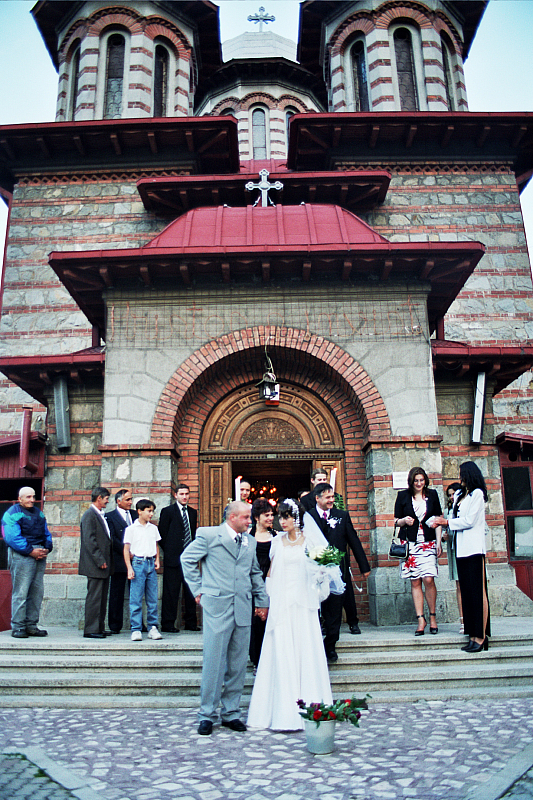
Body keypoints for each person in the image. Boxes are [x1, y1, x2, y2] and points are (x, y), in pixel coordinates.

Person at [181, 500, 269, 736]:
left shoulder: (249, 541)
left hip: (243, 607)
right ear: (232, 518)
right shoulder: (209, 535)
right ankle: (206, 714)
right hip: (216, 608)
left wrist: (262, 601)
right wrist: (199, 590)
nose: (250, 521)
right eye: (246, 517)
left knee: (238, 664)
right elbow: (187, 559)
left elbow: (254, 572)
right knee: (214, 663)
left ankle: (231, 713)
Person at [247, 498, 332, 731]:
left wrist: (319, 575)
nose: (282, 521)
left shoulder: (311, 542)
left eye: (287, 517)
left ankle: (311, 705)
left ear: (298, 518)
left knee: (305, 650)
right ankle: (283, 709)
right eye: (280, 517)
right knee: (282, 651)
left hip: (303, 604)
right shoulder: (276, 542)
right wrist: (266, 603)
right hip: (282, 604)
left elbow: (326, 570)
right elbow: (271, 575)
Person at [307, 483, 370, 661]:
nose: (331, 500)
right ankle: (316, 647)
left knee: (334, 610)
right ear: (317, 498)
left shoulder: (342, 516)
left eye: (332, 497)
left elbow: (354, 541)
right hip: (315, 572)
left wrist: (364, 567)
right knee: (318, 609)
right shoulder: (308, 517)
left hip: (336, 571)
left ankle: (331, 647)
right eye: (327, 497)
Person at [432, 462, 490, 653]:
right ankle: (472, 634)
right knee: (467, 594)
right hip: (461, 549)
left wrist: (446, 522)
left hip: (474, 548)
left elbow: (470, 521)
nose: (461, 478)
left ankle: (481, 636)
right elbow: (455, 514)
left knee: (477, 592)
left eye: (462, 475)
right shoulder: (461, 496)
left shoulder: (478, 495)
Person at [394, 467, 442, 636]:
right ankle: (421, 619)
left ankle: (433, 617)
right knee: (415, 581)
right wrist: (403, 521)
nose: (419, 483)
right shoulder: (403, 496)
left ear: (425, 481)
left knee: (428, 579)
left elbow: (437, 519)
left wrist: (438, 542)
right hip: (410, 543)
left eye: (422, 480)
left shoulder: (433, 495)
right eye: (416, 481)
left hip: (428, 542)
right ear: (411, 482)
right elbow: (395, 521)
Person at [1, 487, 52, 638]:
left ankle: (31, 625)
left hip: (39, 554)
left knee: (36, 593)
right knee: (21, 592)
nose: (32, 500)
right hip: (22, 555)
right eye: (28, 497)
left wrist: (47, 548)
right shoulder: (11, 514)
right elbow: (11, 537)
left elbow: (46, 532)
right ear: (20, 498)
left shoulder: (39, 513)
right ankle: (18, 627)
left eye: (33, 496)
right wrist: (31, 551)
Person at [158, 483, 199, 633]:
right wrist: (170, 551)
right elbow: (161, 535)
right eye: (181, 494)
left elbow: (192, 534)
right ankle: (168, 624)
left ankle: (191, 623)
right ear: (175, 495)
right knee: (171, 592)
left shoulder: (193, 513)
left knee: (190, 591)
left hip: (189, 560)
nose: (184, 497)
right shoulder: (168, 511)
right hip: (173, 559)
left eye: (187, 494)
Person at [123, 499, 162, 642]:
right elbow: (126, 549)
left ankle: (152, 627)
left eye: (152, 511)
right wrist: (129, 568)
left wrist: (157, 559)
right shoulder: (131, 529)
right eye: (149, 511)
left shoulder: (153, 528)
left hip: (151, 562)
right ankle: (136, 629)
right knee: (136, 598)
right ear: (139, 511)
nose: (151, 514)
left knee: (152, 598)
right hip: (138, 563)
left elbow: (156, 545)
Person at [79, 487, 113, 639]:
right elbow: (89, 540)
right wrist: (99, 560)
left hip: (103, 564)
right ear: (99, 498)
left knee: (102, 597)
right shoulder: (89, 515)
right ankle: (90, 629)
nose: (107, 500)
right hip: (96, 565)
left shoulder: (99, 514)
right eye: (106, 498)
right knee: (94, 597)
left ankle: (99, 627)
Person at [106, 488, 138, 634]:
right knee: (116, 593)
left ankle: (137, 623)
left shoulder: (134, 515)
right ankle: (114, 624)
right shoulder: (110, 517)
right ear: (118, 501)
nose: (130, 502)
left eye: (131, 499)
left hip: (135, 560)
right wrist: (126, 552)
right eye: (127, 500)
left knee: (136, 592)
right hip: (119, 560)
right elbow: (112, 539)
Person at [249, 498, 275, 670]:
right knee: (255, 622)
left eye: (272, 515)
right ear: (257, 517)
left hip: (271, 581)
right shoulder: (247, 536)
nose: (271, 518)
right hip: (251, 582)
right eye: (267, 515)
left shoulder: (276, 536)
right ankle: (257, 660)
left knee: (269, 622)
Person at [444, 481, 463, 633]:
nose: (451, 497)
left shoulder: (466, 507)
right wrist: (445, 537)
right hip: (455, 550)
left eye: (454, 494)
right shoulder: (448, 511)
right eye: (449, 495)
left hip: (469, 549)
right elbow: (446, 532)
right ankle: (463, 620)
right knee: (459, 586)